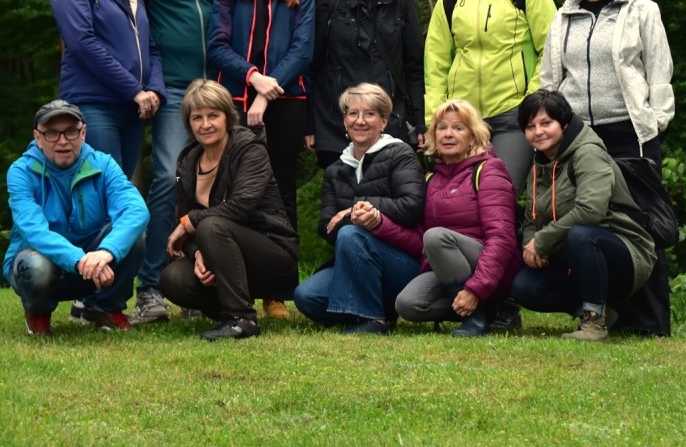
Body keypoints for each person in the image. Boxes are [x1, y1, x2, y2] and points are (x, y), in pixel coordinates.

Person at [539, 0, 674, 336]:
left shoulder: (642, 9)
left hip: (630, 134)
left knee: (642, 224)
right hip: (580, 138)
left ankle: (650, 323)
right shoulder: (563, 17)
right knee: (590, 220)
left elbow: (659, 70)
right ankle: (603, 313)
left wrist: (655, 122)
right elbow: (550, 78)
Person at [121, 0, 241, 325]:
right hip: (171, 88)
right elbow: (127, 18)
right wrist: (141, 82)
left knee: (220, 185)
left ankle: (196, 288)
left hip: (221, 89)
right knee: (170, 181)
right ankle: (151, 289)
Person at [207, 0, 313, 321]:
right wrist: (253, 78)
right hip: (234, 102)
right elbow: (217, 46)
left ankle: (277, 293)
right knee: (232, 192)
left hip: (286, 103)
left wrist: (268, 93)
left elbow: (303, 50)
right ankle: (228, 287)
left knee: (280, 193)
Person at [423, 0, 557, 195]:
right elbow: (435, 62)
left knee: (499, 195)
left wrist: (532, 102)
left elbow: (552, 48)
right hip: (462, 120)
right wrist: (435, 118)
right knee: (462, 201)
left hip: (513, 117)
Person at [158, 80, 299, 341]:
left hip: (271, 255)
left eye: (213, 115)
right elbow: (184, 223)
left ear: (228, 117)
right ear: (189, 122)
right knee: (172, 279)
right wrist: (198, 253)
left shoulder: (250, 149)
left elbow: (241, 206)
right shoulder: (187, 160)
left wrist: (191, 222)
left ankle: (241, 319)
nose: (205, 124)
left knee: (211, 225)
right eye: (197, 118)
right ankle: (226, 313)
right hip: (222, 257)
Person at [511, 90, 656, 341]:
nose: (538, 132)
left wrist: (542, 241)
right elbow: (531, 217)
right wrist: (530, 244)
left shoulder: (588, 153)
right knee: (524, 288)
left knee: (581, 235)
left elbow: (591, 211)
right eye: (530, 126)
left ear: (564, 124)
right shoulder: (539, 162)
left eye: (546, 123)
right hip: (570, 256)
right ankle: (598, 312)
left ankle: (595, 323)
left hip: (624, 252)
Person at [4, 100, 149, 335]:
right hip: (43, 263)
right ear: (38, 137)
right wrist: (80, 259)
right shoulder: (20, 171)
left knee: (135, 235)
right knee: (37, 266)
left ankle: (105, 308)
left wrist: (107, 252)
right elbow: (33, 231)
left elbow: (137, 210)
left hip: (94, 264)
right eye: (52, 133)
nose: (62, 141)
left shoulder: (104, 163)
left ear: (83, 133)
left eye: (71, 131)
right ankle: (38, 313)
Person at [293, 83, 425, 334]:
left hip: (401, 262)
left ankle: (372, 320)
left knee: (351, 233)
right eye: (353, 113)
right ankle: (378, 308)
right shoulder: (335, 170)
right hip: (355, 261)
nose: (360, 121)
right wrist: (357, 216)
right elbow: (326, 227)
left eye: (370, 114)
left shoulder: (401, 155)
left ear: (384, 122)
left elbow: (412, 207)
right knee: (306, 296)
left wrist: (358, 209)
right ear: (345, 121)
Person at [51, 0, 165, 179]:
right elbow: (83, 44)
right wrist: (135, 89)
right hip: (94, 105)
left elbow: (151, 47)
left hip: (132, 107)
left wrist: (154, 90)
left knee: (120, 189)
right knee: (103, 187)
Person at [391, 99, 521, 337]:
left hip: (491, 269)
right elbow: (421, 240)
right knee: (408, 305)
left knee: (436, 237)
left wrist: (475, 289)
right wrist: (379, 223)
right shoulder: (431, 179)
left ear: (472, 137)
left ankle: (475, 316)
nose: (448, 134)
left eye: (458, 128)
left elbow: (502, 238)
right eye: (442, 128)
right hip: (446, 268)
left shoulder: (489, 170)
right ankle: (486, 311)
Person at [306, 0, 425, 168]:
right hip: (336, 124)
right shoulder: (330, 0)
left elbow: (414, 70)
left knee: (386, 191)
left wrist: (420, 123)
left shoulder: (404, 2)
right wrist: (310, 124)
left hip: (389, 123)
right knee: (340, 191)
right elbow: (314, 68)